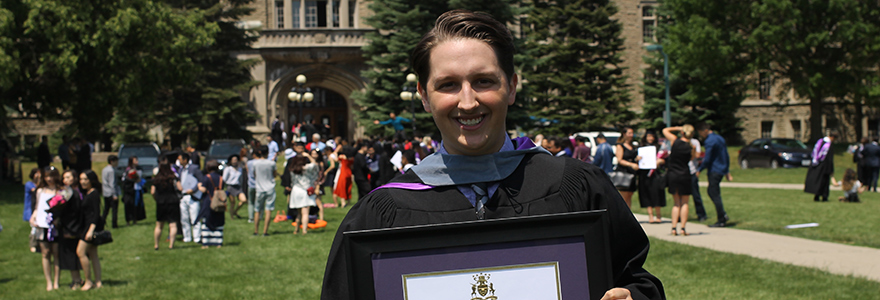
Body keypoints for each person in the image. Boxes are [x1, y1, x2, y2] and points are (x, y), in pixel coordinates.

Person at [321, 10, 663, 300]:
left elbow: (639, 280)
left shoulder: (579, 188)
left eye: (484, 81)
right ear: (424, 97)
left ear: (511, 86)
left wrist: (634, 297)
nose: (468, 101)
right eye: (448, 85)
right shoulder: (380, 215)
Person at [696, 122, 733, 227]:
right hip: (721, 168)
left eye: (700, 133)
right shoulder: (719, 138)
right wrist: (726, 171)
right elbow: (725, 155)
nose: (701, 136)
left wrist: (700, 169)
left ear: (705, 131)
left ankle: (722, 217)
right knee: (713, 192)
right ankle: (722, 215)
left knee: (713, 193)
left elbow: (708, 158)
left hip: (714, 169)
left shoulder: (710, 141)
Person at [31, 167, 62, 291]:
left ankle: (56, 281)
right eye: (47, 176)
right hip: (42, 225)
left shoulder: (60, 191)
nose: (50, 179)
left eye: (52, 176)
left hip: (54, 226)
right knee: (45, 253)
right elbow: (37, 207)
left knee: (56, 253)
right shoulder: (40, 191)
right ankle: (48, 281)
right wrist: (33, 217)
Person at [662, 126, 696, 236]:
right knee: (685, 202)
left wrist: (677, 127)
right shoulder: (691, 146)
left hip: (673, 174)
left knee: (676, 203)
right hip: (685, 174)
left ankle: (673, 228)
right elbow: (692, 158)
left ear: (682, 132)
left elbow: (665, 130)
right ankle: (683, 228)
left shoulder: (675, 141)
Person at [76, 170, 104, 290]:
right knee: (93, 254)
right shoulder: (87, 193)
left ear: (91, 180)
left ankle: (88, 281)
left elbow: (96, 214)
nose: (82, 182)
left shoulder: (94, 194)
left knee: (80, 252)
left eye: (85, 179)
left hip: (90, 227)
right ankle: (98, 282)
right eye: (81, 179)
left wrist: (91, 230)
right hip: (87, 226)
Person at [151, 163, 181, 250]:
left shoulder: (156, 178)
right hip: (173, 201)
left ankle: (156, 245)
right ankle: (171, 245)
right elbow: (180, 188)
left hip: (161, 202)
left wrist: (156, 198)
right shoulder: (173, 177)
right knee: (173, 224)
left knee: (159, 225)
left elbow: (152, 191)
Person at [638, 131, 666, 224]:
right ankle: (650, 215)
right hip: (644, 174)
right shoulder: (641, 148)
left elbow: (665, 159)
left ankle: (658, 215)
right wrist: (637, 159)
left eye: (652, 136)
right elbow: (635, 160)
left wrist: (660, 161)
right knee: (646, 194)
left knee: (656, 194)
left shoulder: (659, 148)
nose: (650, 138)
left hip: (655, 174)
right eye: (649, 136)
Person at [288, 154, 320, 235]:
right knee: (305, 212)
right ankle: (304, 230)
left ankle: (296, 229)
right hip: (305, 191)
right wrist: (309, 155)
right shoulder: (307, 168)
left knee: (299, 213)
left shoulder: (292, 170)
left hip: (296, 191)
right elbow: (315, 164)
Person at [804, 131, 839, 202]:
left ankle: (816, 196)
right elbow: (829, 159)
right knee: (824, 182)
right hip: (824, 166)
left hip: (816, 164)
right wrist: (831, 170)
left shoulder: (820, 141)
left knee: (817, 181)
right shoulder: (829, 145)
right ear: (832, 137)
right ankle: (824, 197)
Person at [197, 160, 225, 248]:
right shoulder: (221, 178)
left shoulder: (207, 177)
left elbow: (204, 190)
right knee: (218, 221)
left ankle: (206, 242)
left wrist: (199, 186)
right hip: (219, 201)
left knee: (207, 222)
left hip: (208, 201)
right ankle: (218, 242)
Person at [251, 148, 278, 236]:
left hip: (259, 188)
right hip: (270, 187)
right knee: (268, 210)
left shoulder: (255, 163)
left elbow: (254, 174)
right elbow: (274, 174)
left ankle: (256, 231)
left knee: (257, 210)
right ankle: (265, 231)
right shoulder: (271, 163)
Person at [178, 153, 203, 243]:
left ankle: (197, 237)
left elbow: (201, 180)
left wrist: (194, 190)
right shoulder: (180, 170)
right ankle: (187, 237)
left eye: (180, 159)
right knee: (184, 218)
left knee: (194, 217)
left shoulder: (194, 168)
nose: (179, 161)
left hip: (193, 196)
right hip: (183, 195)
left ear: (185, 160)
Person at [615, 127, 640, 208]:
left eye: (632, 133)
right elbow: (620, 160)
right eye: (629, 133)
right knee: (624, 196)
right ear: (624, 134)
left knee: (630, 194)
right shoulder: (620, 146)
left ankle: (629, 214)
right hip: (624, 172)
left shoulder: (633, 146)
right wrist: (631, 164)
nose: (631, 135)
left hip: (632, 173)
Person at [122, 156, 146, 225]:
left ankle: (135, 219)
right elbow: (125, 180)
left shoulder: (138, 169)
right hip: (130, 190)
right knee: (129, 205)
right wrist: (134, 180)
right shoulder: (128, 170)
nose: (137, 162)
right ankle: (129, 220)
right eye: (135, 160)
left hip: (137, 189)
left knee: (136, 205)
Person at [223, 155, 247, 219]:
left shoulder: (240, 169)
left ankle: (235, 211)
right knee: (232, 202)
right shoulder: (228, 169)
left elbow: (241, 179)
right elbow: (224, 179)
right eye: (233, 160)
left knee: (244, 200)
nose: (235, 161)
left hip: (238, 186)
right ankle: (232, 217)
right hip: (230, 186)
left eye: (236, 160)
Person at [689, 137, 707, 222]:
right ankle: (680, 215)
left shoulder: (695, 142)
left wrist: (693, 149)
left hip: (692, 171)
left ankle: (701, 214)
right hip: (681, 172)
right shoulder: (679, 141)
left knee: (696, 195)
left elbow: (697, 156)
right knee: (680, 197)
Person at [25, 168, 41, 253]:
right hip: (30, 208)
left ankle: (38, 244)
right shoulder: (29, 184)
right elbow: (36, 190)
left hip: (37, 208)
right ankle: (33, 245)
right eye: (36, 173)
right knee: (34, 227)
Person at [101, 155, 120, 228]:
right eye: (116, 161)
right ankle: (114, 224)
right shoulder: (111, 170)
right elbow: (112, 183)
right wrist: (114, 194)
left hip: (105, 192)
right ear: (112, 161)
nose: (117, 163)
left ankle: (102, 222)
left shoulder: (104, 169)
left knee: (106, 209)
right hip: (111, 193)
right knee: (114, 210)